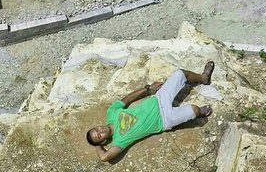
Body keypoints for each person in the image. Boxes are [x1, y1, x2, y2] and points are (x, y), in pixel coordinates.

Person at [86, 61, 215, 163]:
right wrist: (97, 144)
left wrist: (147, 89)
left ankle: (203, 78)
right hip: (164, 119)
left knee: (181, 74)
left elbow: (127, 99)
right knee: (195, 109)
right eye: (99, 136)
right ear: (103, 141)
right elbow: (104, 157)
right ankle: (199, 113)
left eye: (96, 130)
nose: (100, 131)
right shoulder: (119, 141)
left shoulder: (111, 113)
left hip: (158, 100)